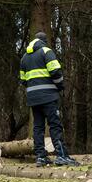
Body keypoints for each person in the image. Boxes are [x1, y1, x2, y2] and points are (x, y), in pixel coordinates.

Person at [19, 31, 80, 166]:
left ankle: (40, 157)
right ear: (44, 41)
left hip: (33, 98)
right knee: (55, 125)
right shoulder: (47, 51)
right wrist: (59, 86)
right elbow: (56, 72)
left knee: (38, 127)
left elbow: (23, 80)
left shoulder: (24, 57)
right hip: (48, 96)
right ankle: (62, 155)